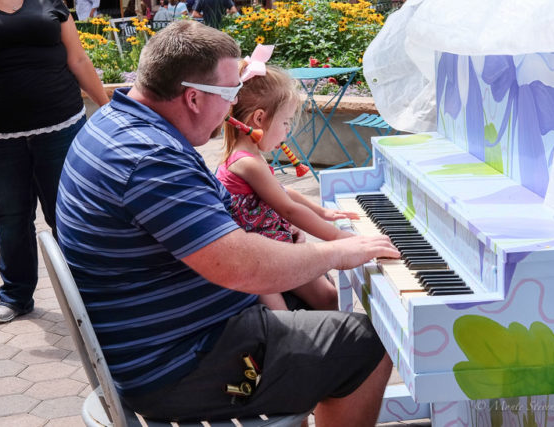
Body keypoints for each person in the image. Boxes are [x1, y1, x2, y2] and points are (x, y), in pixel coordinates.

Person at [56, 20, 398, 426]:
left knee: (314, 312)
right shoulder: (149, 160)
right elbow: (242, 266)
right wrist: (335, 251)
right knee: (364, 345)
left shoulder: (117, 123)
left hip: (161, 338)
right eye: (229, 93)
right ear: (195, 98)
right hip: (177, 366)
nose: (232, 106)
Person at [0, 0, 109, 324]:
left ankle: (87, 294)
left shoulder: (50, 3)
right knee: (12, 215)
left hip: (61, 128)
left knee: (67, 213)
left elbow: (78, 58)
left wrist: (106, 106)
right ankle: (16, 295)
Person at [216, 47, 360, 311]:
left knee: (326, 296)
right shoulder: (247, 162)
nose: (287, 132)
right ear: (259, 118)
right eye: (285, 123)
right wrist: (339, 240)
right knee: (296, 314)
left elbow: (285, 194)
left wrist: (321, 212)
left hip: (270, 246)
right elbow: (288, 208)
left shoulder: (249, 157)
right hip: (260, 259)